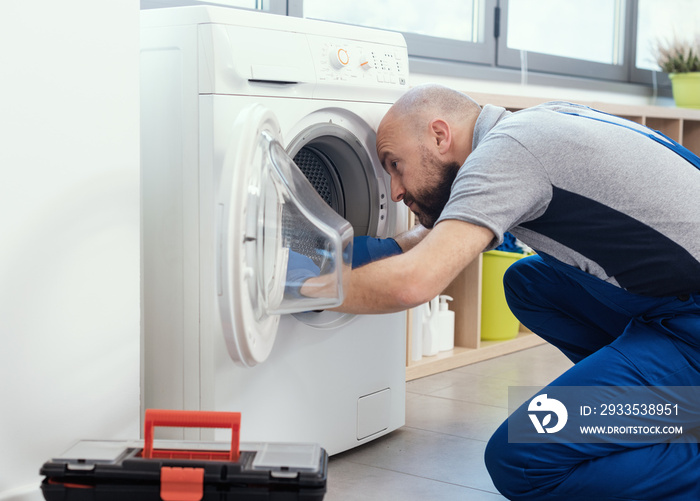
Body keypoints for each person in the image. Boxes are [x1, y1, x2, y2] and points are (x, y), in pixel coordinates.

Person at [304, 83, 700, 500]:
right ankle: (660, 411)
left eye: (395, 164)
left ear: (440, 136)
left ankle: (672, 412)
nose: (396, 189)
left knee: (521, 461)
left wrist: (298, 288)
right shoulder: (531, 126)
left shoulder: (507, 155)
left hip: (689, 322)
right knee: (529, 283)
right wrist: (344, 254)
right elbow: (426, 237)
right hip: (674, 302)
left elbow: (414, 282)